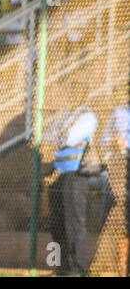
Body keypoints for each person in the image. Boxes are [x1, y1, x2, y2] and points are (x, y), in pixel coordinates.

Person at [46, 107, 98, 276]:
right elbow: (49, 137)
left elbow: (67, 138)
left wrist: (60, 134)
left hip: (75, 177)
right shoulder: (65, 116)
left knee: (73, 224)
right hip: (57, 176)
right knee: (56, 224)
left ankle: (78, 269)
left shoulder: (88, 116)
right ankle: (60, 268)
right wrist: (60, 134)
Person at [101, 101, 130, 277]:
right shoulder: (119, 112)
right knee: (122, 221)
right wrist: (114, 144)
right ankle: (122, 270)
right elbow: (105, 139)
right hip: (121, 165)